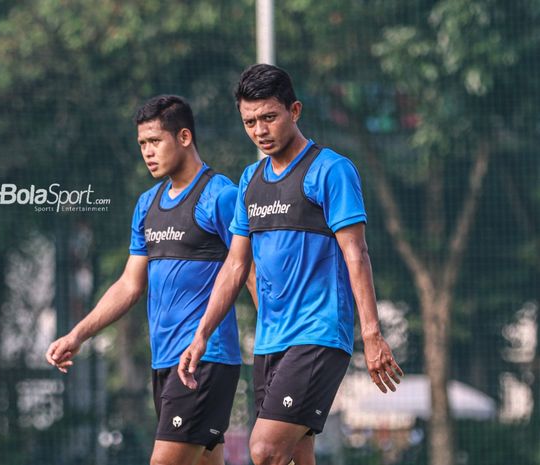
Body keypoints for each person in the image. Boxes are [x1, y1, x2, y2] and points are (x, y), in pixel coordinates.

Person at [178, 64, 404, 465]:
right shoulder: (250, 179)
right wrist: (201, 336)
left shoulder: (331, 170)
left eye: (269, 117)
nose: (259, 130)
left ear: (294, 111)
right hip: (270, 341)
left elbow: (357, 254)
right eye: (249, 121)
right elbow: (234, 267)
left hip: (318, 333)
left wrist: (371, 335)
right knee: (298, 456)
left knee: (264, 449)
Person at [46, 95, 248, 465]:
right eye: (142, 144)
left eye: (155, 141)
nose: (147, 152)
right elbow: (129, 285)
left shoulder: (220, 195)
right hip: (164, 362)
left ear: (184, 137)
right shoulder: (147, 205)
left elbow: (245, 268)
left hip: (204, 359)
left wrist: (272, 346)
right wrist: (78, 334)